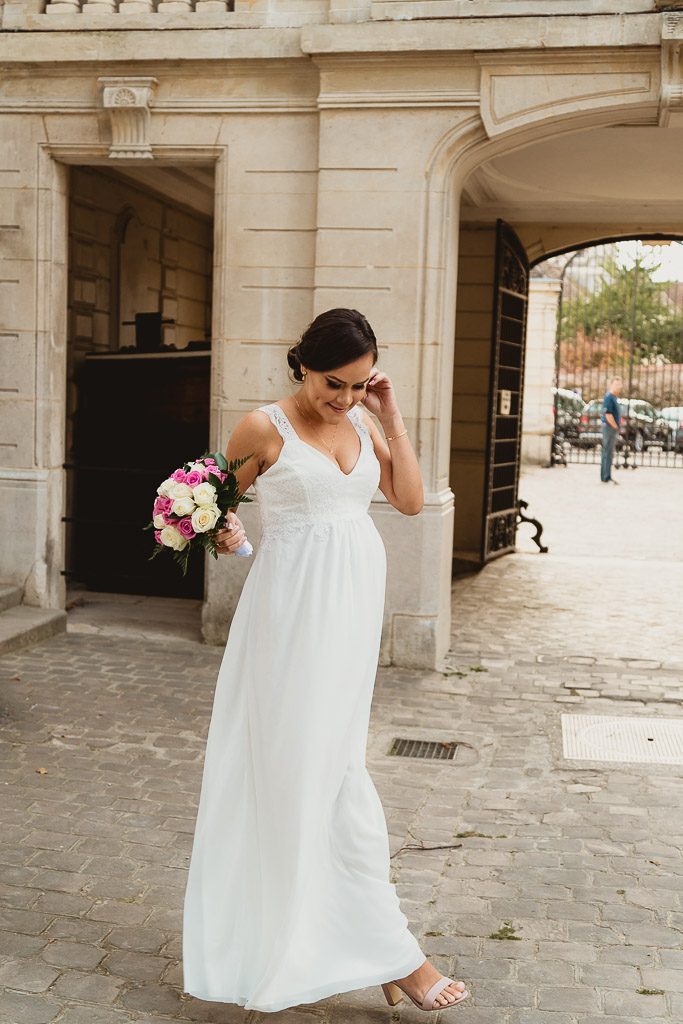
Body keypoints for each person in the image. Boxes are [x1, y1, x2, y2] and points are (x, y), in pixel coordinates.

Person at [182, 308, 470, 1014]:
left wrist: (390, 413)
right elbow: (224, 507)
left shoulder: (365, 422)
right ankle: (392, 954)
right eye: (333, 384)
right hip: (289, 615)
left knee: (335, 766)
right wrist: (224, 535)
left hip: (348, 615)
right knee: (304, 773)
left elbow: (406, 502)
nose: (343, 398)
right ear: (303, 365)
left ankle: (372, 945)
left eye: (359, 383)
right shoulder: (263, 426)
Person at [600, 376, 622, 484]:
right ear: (611, 385)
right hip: (609, 428)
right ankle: (606, 476)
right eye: (616, 384)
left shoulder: (614, 397)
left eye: (619, 384)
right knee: (607, 452)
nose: (618, 386)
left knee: (608, 452)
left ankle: (606, 476)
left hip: (611, 428)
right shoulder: (609, 397)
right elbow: (608, 414)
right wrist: (615, 426)